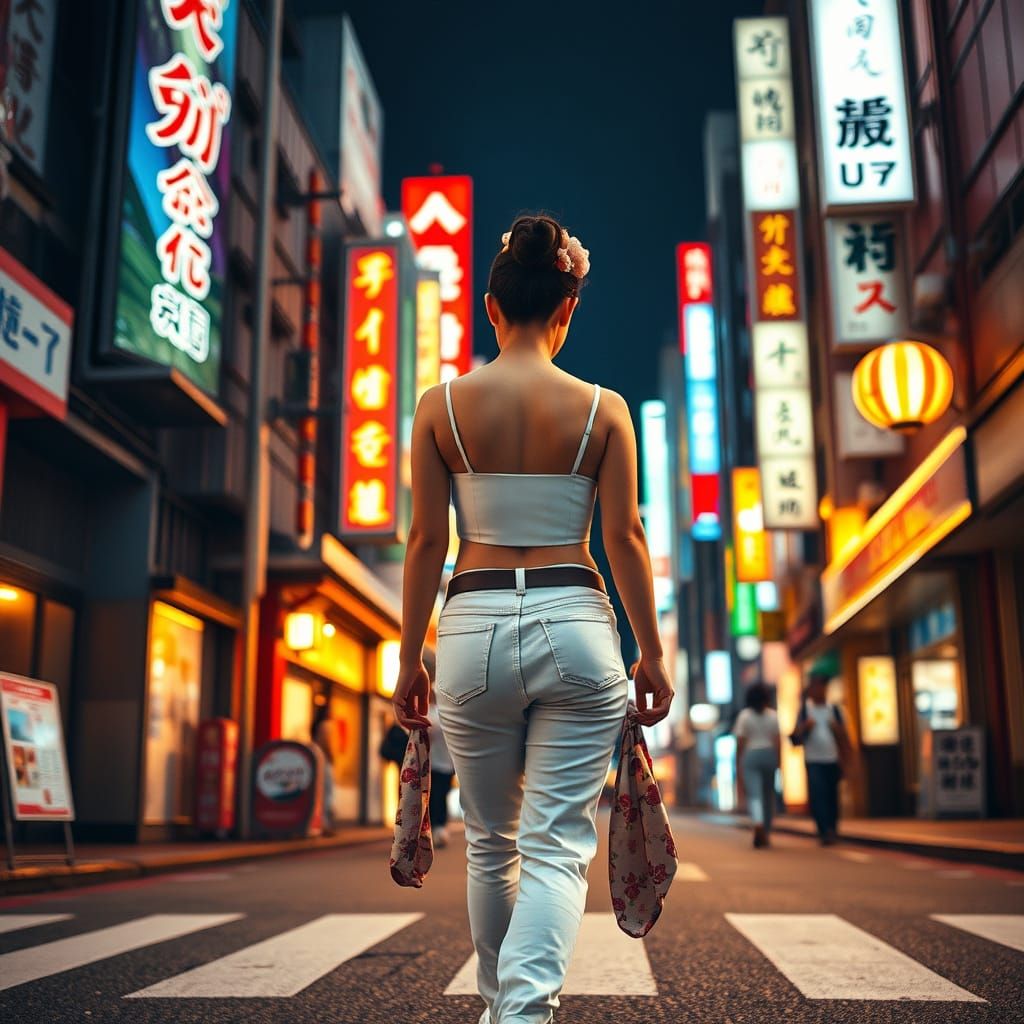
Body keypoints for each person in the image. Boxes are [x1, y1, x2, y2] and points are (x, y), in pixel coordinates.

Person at [392, 214, 674, 1024]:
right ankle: (522, 1015)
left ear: (491, 306)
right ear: (567, 309)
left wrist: (412, 657)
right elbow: (624, 538)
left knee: (491, 843)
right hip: (577, 623)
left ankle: (505, 1011)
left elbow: (424, 542)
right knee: (555, 846)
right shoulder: (604, 409)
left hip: (473, 625)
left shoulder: (439, 405)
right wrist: (649, 652)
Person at [790, 672, 849, 845]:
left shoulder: (836, 710)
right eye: (815, 687)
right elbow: (794, 738)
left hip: (833, 759)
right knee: (818, 795)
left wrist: (836, 730)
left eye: (821, 686)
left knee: (832, 795)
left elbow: (845, 736)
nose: (818, 690)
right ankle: (824, 831)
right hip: (813, 759)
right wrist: (804, 727)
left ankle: (832, 828)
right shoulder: (805, 711)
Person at [734, 682, 780, 848]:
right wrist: (778, 761)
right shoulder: (773, 716)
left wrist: (738, 763)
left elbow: (740, 742)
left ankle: (758, 823)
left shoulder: (744, 716)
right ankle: (766, 831)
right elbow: (777, 741)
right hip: (769, 755)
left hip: (751, 756)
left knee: (755, 794)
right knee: (768, 795)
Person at [426, 692, 456, 847]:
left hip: (431, 764)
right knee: (440, 797)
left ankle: (435, 830)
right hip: (446, 764)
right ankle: (439, 829)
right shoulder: (447, 715)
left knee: (432, 798)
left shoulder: (429, 714)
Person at [312, 701, 338, 834]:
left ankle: (321, 824)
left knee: (322, 792)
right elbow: (329, 745)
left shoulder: (316, 725)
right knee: (328, 793)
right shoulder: (328, 725)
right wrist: (332, 758)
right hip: (326, 760)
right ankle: (326, 825)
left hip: (318, 759)